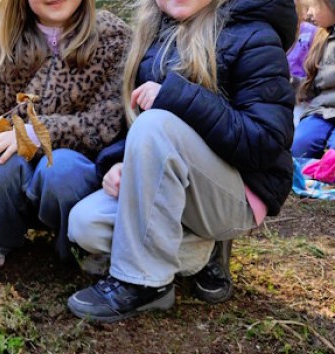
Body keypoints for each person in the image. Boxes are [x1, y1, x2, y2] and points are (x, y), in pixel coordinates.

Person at [67, 0, 296, 322]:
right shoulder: (153, 33)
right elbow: (135, 128)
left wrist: (177, 97)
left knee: (157, 123)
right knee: (85, 224)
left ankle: (144, 282)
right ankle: (200, 251)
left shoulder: (255, 36)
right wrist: (119, 163)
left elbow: (264, 142)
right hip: (174, 185)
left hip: (234, 196)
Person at [0, 0, 131, 276]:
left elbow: (107, 122)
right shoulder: (8, 45)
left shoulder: (113, 38)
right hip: (17, 180)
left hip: (76, 182)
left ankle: (80, 244)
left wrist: (35, 134)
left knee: (61, 169)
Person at [291, 0, 335, 159]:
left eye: (312, 6)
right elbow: (312, 80)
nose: (308, 13)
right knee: (301, 143)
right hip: (320, 109)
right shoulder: (321, 37)